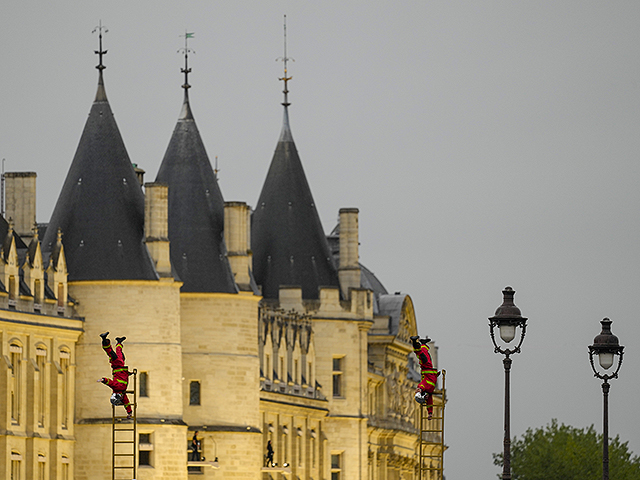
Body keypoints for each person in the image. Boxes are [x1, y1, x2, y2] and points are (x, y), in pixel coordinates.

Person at [97, 332, 133, 419]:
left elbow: (110, 383)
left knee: (111, 353)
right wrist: (129, 412)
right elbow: (127, 403)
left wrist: (103, 380)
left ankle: (104, 339)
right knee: (121, 355)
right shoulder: (123, 394)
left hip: (116, 365)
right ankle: (119, 342)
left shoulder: (116, 389)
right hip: (122, 367)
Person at [410, 335, 439, 420]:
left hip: (426, 367)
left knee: (420, 354)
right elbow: (430, 403)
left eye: (425, 397)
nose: (426, 398)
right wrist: (430, 413)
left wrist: (419, 389)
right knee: (425, 353)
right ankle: (423, 343)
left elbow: (421, 385)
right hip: (430, 369)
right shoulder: (429, 393)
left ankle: (415, 342)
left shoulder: (424, 387)